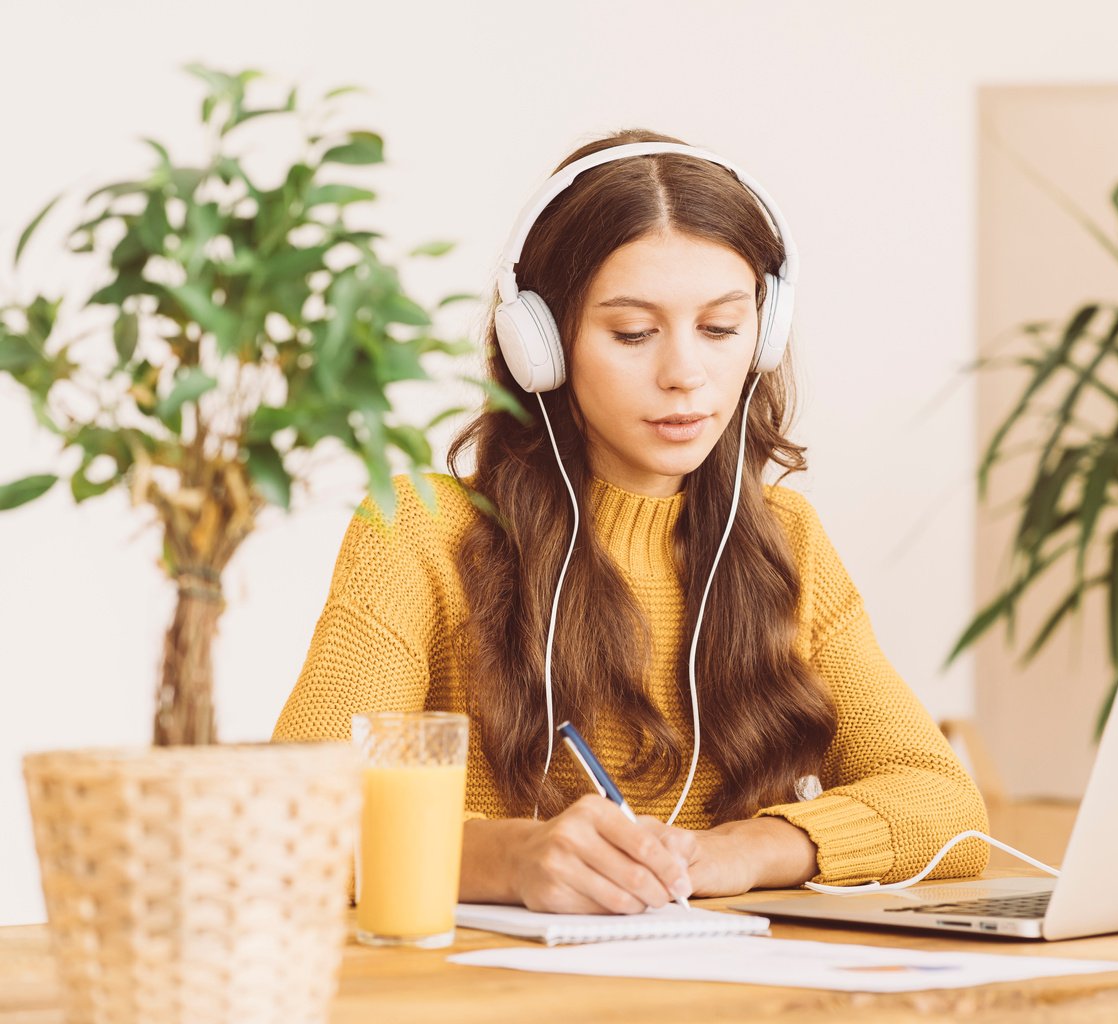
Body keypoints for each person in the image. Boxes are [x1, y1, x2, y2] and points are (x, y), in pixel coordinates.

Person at [272, 127, 989, 916]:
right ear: (540, 345)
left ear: (763, 334)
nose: (685, 373)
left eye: (720, 329)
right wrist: (508, 858)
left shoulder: (787, 538)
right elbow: (295, 817)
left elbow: (945, 807)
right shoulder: (417, 529)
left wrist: (742, 851)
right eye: (633, 333)